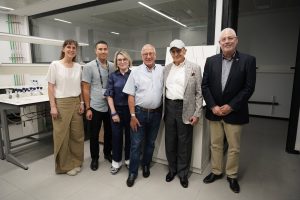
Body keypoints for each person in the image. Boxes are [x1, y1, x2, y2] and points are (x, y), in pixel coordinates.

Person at [201, 28, 256, 193]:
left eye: (230, 38)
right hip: (215, 112)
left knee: (234, 147)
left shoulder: (248, 60)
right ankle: (216, 171)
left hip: (235, 112)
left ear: (236, 40)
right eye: (223, 39)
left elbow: (249, 87)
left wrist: (231, 106)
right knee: (215, 144)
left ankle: (232, 176)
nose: (226, 41)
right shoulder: (211, 61)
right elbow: (205, 85)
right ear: (219, 43)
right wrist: (213, 106)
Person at [163, 39, 203, 188]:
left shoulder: (195, 68)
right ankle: (172, 170)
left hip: (185, 109)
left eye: (178, 50)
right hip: (169, 108)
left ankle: (183, 173)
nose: (176, 53)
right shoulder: (166, 69)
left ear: (184, 51)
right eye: (173, 51)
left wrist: (197, 113)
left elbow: (199, 93)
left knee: (184, 144)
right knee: (170, 142)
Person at [122, 44, 163, 187]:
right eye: (145, 54)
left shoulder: (162, 71)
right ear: (142, 56)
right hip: (139, 113)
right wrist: (132, 115)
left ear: (155, 55)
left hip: (156, 113)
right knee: (136, 144)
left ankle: (146, 165)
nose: (148, 56)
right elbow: (130, 96)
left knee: (151, 142)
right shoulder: (135, 72)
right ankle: (133, 172)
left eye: (151, 53)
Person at [46, 39, 84, 176]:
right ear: (63, 49)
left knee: (77, 135)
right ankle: (65, 165)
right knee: (62, 135)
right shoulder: (55, 65)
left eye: (74, 48)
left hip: (76, 102)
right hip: (61, 103)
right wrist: (53, 106)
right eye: (68, 47)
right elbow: (50, 87)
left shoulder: (78, 66)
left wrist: (81, 103)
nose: (71, 50)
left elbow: (80, 86)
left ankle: (76, 161)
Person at [82, 40, 114, 171]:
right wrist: (87, 108)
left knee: (109, 133)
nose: (103, 51)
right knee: (94, 135)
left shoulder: (112, 66)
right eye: (100, 49)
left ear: (108, 50)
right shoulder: (89, 67)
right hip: (95, 106)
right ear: (96, 51)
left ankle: (107, 153)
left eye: (105, 49)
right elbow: (85, 88)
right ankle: (94, 158)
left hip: (110, 105)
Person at [104, 50, 132, 174]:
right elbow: (109, 95)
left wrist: (134, 114)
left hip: (131, 110)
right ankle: (116, 162)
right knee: (116, 137)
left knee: (130, 137)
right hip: (116, 110)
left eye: (124, 59)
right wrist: (114, 113)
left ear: (128, 60)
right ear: (116, 62)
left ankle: (128, 160)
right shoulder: (112, 76)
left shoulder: (134, 75)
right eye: (119, 60)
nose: (122, 62)